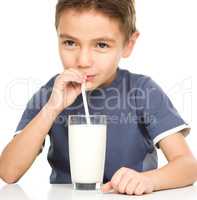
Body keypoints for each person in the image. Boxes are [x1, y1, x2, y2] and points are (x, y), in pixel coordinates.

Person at [0, 0, 197, 196]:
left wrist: (149, 180)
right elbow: (8, 173)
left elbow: (188, 166)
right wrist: (52, 108)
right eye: (70, 43)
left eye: (101, 45)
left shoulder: (142, 91)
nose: (83, 61)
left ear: (128, 44)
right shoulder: (51, 94)